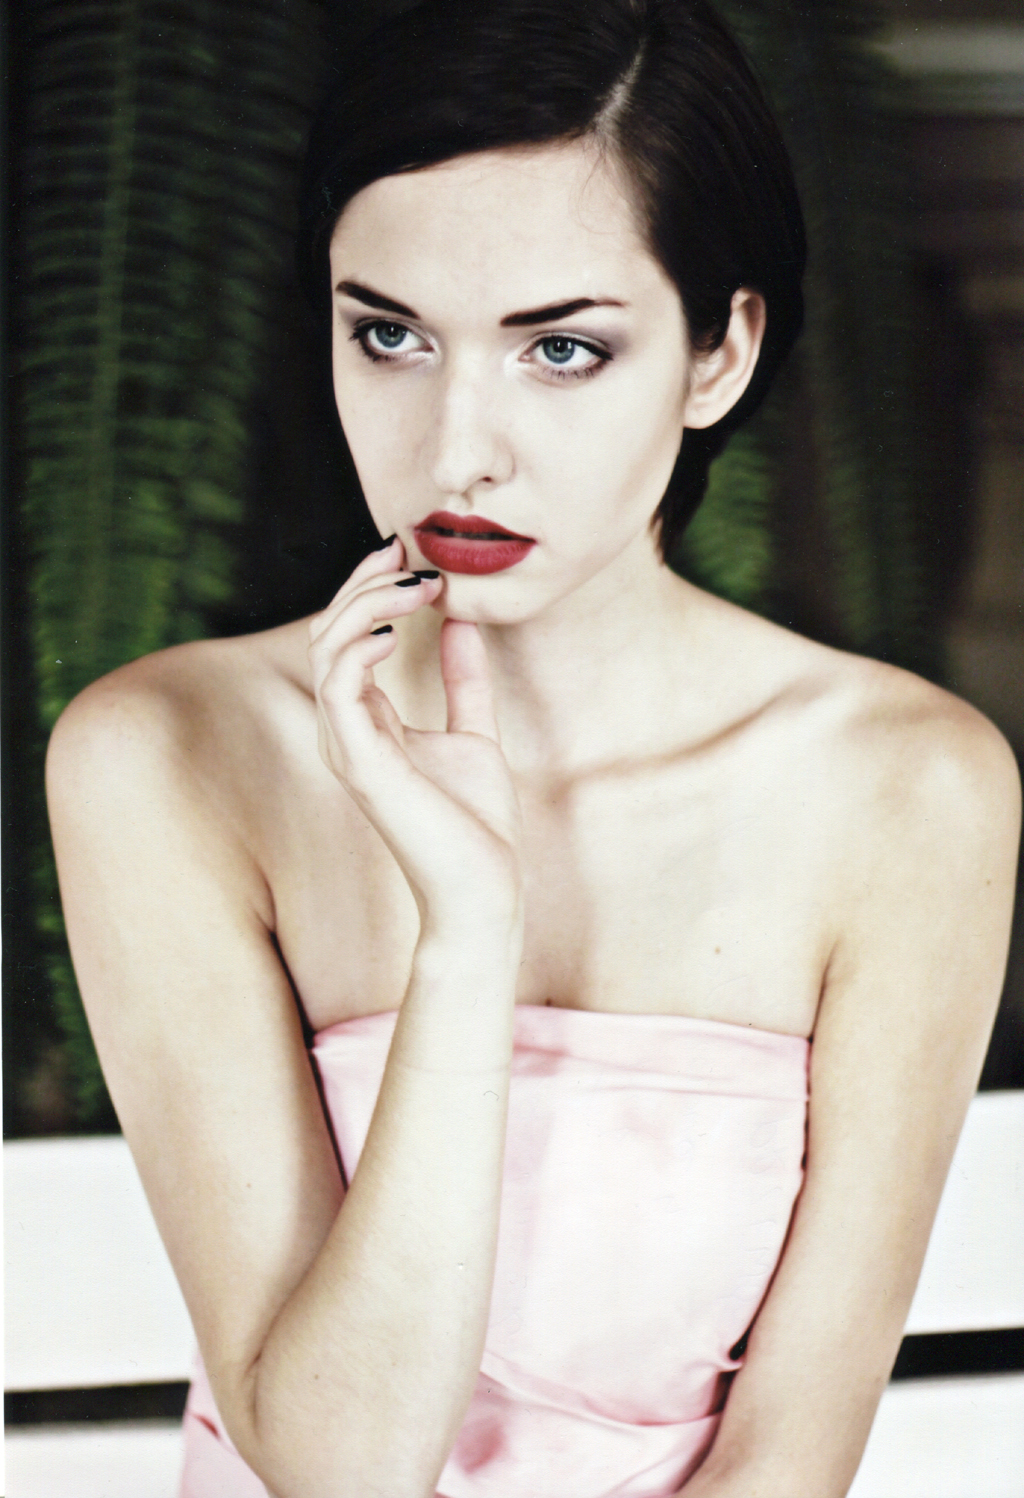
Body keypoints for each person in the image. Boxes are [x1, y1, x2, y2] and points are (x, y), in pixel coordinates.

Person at [45, 2, 1020, 1496]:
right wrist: (464, 938)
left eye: (561, 349)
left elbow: (791, 1456)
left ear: (719, 354)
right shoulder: (166, 755)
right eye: (390, 335)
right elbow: (341, 1466)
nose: (456, 451)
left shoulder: (906, 789)